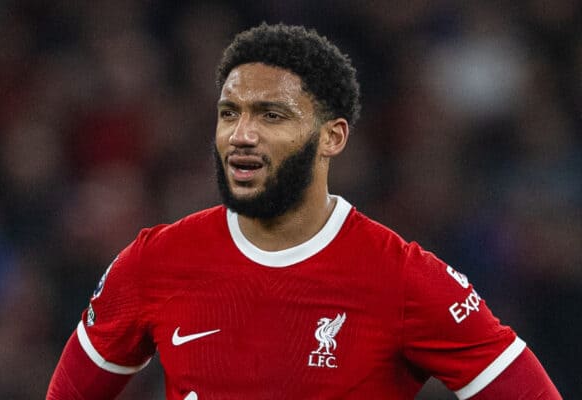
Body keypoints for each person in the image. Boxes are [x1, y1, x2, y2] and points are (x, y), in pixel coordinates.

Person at [47, 23, 562, 400]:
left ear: (331, 137)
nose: (242, 135)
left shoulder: (403, 278)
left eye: (271, 115)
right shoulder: (152, 262)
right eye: (230, 113)